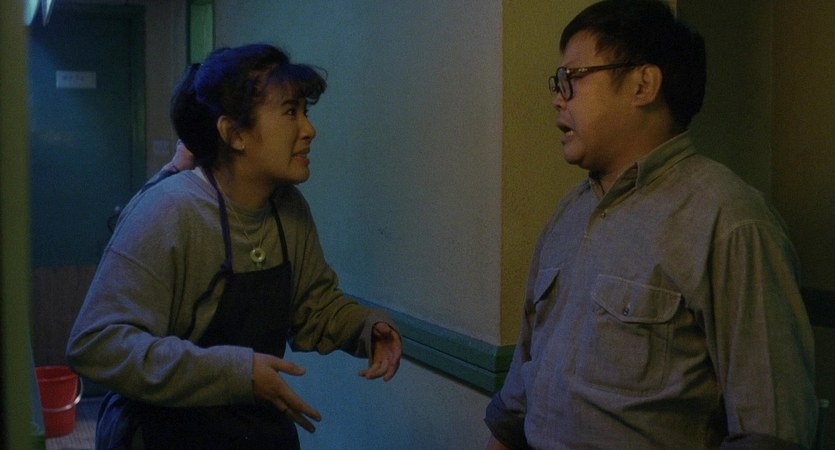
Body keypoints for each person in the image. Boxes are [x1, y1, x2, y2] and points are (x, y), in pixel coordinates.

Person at [484, 1, 817, 449]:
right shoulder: (568, 214)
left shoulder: (730, 220)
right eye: (557, 82)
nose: (558, 98)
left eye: (573, 78)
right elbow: (517, 402)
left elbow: (772, 431)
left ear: (643, 84)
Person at [67, 44, 402, 449]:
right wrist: (236, 372)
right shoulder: (169, 211)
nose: (308, 130)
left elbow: (313, 307)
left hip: (253, 430)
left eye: (305, 112)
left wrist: (366, 328)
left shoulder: (288, 208)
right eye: (290, 112)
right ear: (235, 134)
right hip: (163, 433)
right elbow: (96, 344)